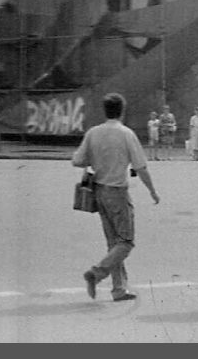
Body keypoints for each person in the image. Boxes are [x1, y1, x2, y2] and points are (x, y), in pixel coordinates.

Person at [72, 92, 159, 302]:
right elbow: (140, 166)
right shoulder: (126, 134)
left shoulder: (94, 133)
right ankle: (97, 272)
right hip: (118, 192)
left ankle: (119, 289)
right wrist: (152, 190)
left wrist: (96, 160)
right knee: (126, 242)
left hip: (99, 191)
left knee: (114, 243)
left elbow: (77, 160)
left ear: (105, 110)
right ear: (122, 111)